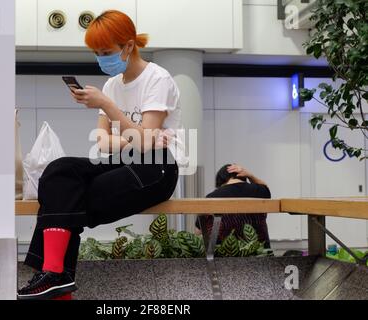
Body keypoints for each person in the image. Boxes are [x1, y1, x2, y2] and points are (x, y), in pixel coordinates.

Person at [18, 10, 183, 300]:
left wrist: (108, 107)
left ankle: (55, 276)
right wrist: (134, 136)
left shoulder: (157, 78)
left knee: (69, 200)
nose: (100, 58)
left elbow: (145, 146)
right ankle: (56, 276)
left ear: (128, 46)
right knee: (60, 170)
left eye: (105, 51)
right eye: (96, 52)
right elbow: (104, 142)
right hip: (124, 161)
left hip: (156, 168)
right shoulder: (111, 85)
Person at [195, 164, 271, 247]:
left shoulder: (212, 197)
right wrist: (251, 176)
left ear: (220, 181)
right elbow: (265, 188)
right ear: (243, 176)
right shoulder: (261, 191)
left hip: (224, 253)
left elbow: (199, 231)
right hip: (259, 251)